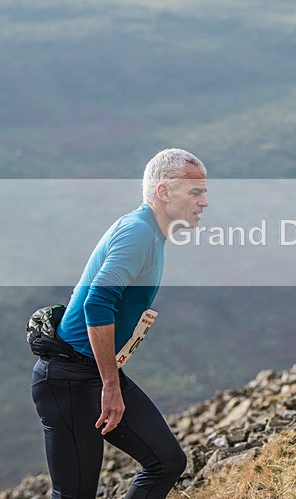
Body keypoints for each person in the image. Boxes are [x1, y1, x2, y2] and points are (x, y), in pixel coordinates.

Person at [31, 149, 208, 498]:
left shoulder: (150, 232)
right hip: (69, 380)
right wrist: (110, 385)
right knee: (74, 494)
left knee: (167, 461)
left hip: (92, 370)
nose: (204, 202)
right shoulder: (138, 233)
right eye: (195, 192)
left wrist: (108, 377)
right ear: (164, 192)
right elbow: (97, 302)